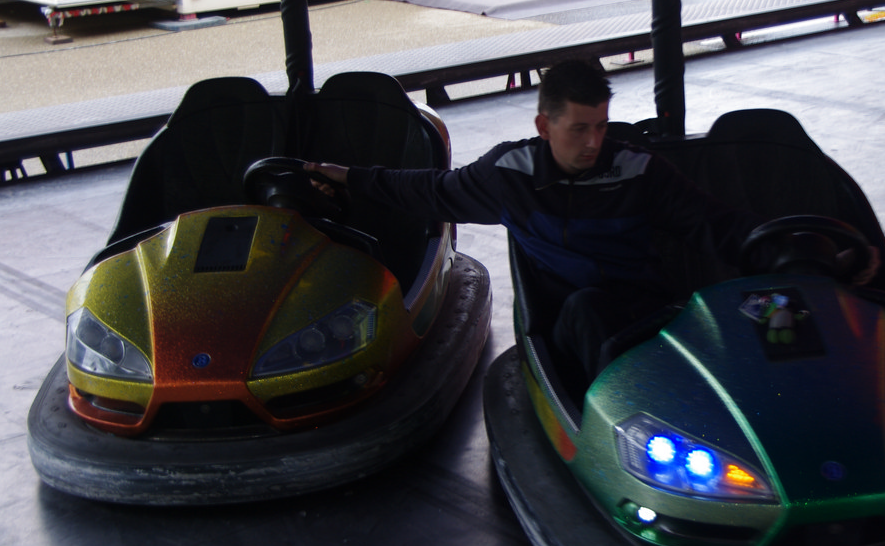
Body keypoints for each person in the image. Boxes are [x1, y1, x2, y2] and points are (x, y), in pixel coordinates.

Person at [305, 60, 767, 384]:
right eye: (579, 129)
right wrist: (349, 178)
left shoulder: (637, 170)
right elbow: (430, 189)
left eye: (601, 126)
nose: (594, 142)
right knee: (588, 308)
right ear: (544, 127)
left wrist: (777, 246)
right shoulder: (511, 174)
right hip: (568, 328)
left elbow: (714, 223)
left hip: (647, 315)